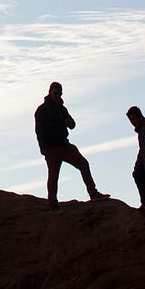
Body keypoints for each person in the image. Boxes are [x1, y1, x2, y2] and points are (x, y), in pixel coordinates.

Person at [34, 81, 108, 211]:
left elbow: (72, 124)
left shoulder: (62, 109)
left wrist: (69, 122)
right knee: (53, 176)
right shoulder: (42, 110)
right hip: (52, 148)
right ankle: (53, 205)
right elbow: (39, 131)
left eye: (59, 93)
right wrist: (43, 148)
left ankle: (93, 193)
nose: (57, 95)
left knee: (83, 164)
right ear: (50, 91)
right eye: (55, 92)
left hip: (64, 145)